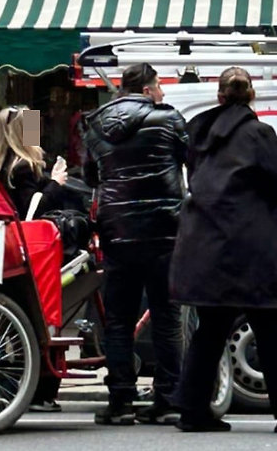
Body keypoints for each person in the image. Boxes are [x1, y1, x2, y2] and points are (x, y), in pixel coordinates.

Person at [169, 66, 277, 433]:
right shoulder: (259, 134)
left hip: (205, 244)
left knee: (211, 330)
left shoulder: (199, 134)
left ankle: (193, 410)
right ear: (252, 95)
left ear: (219, 96)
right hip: (250, 247)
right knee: (271, 327)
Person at [81, 63, 187, 425]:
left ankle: (121, 400)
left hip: (118, 231)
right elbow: (191, 161)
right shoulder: (168, 119)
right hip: (164, 230)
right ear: (145, 91)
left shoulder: (95, 125)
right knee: (167, 316)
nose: (163, 93)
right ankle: (168, 397)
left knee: (118, 321)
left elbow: (90, 176)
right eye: (159, 86)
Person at [0, 105, 68, 412]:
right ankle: (38, 390)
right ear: (23, 134)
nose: (39, 134)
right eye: (33, 128)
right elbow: (33, 213)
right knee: (38, 320)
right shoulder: (24, 166)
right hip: (26, 249)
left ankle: (5, 387)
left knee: (6, 325)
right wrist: (56, 182)